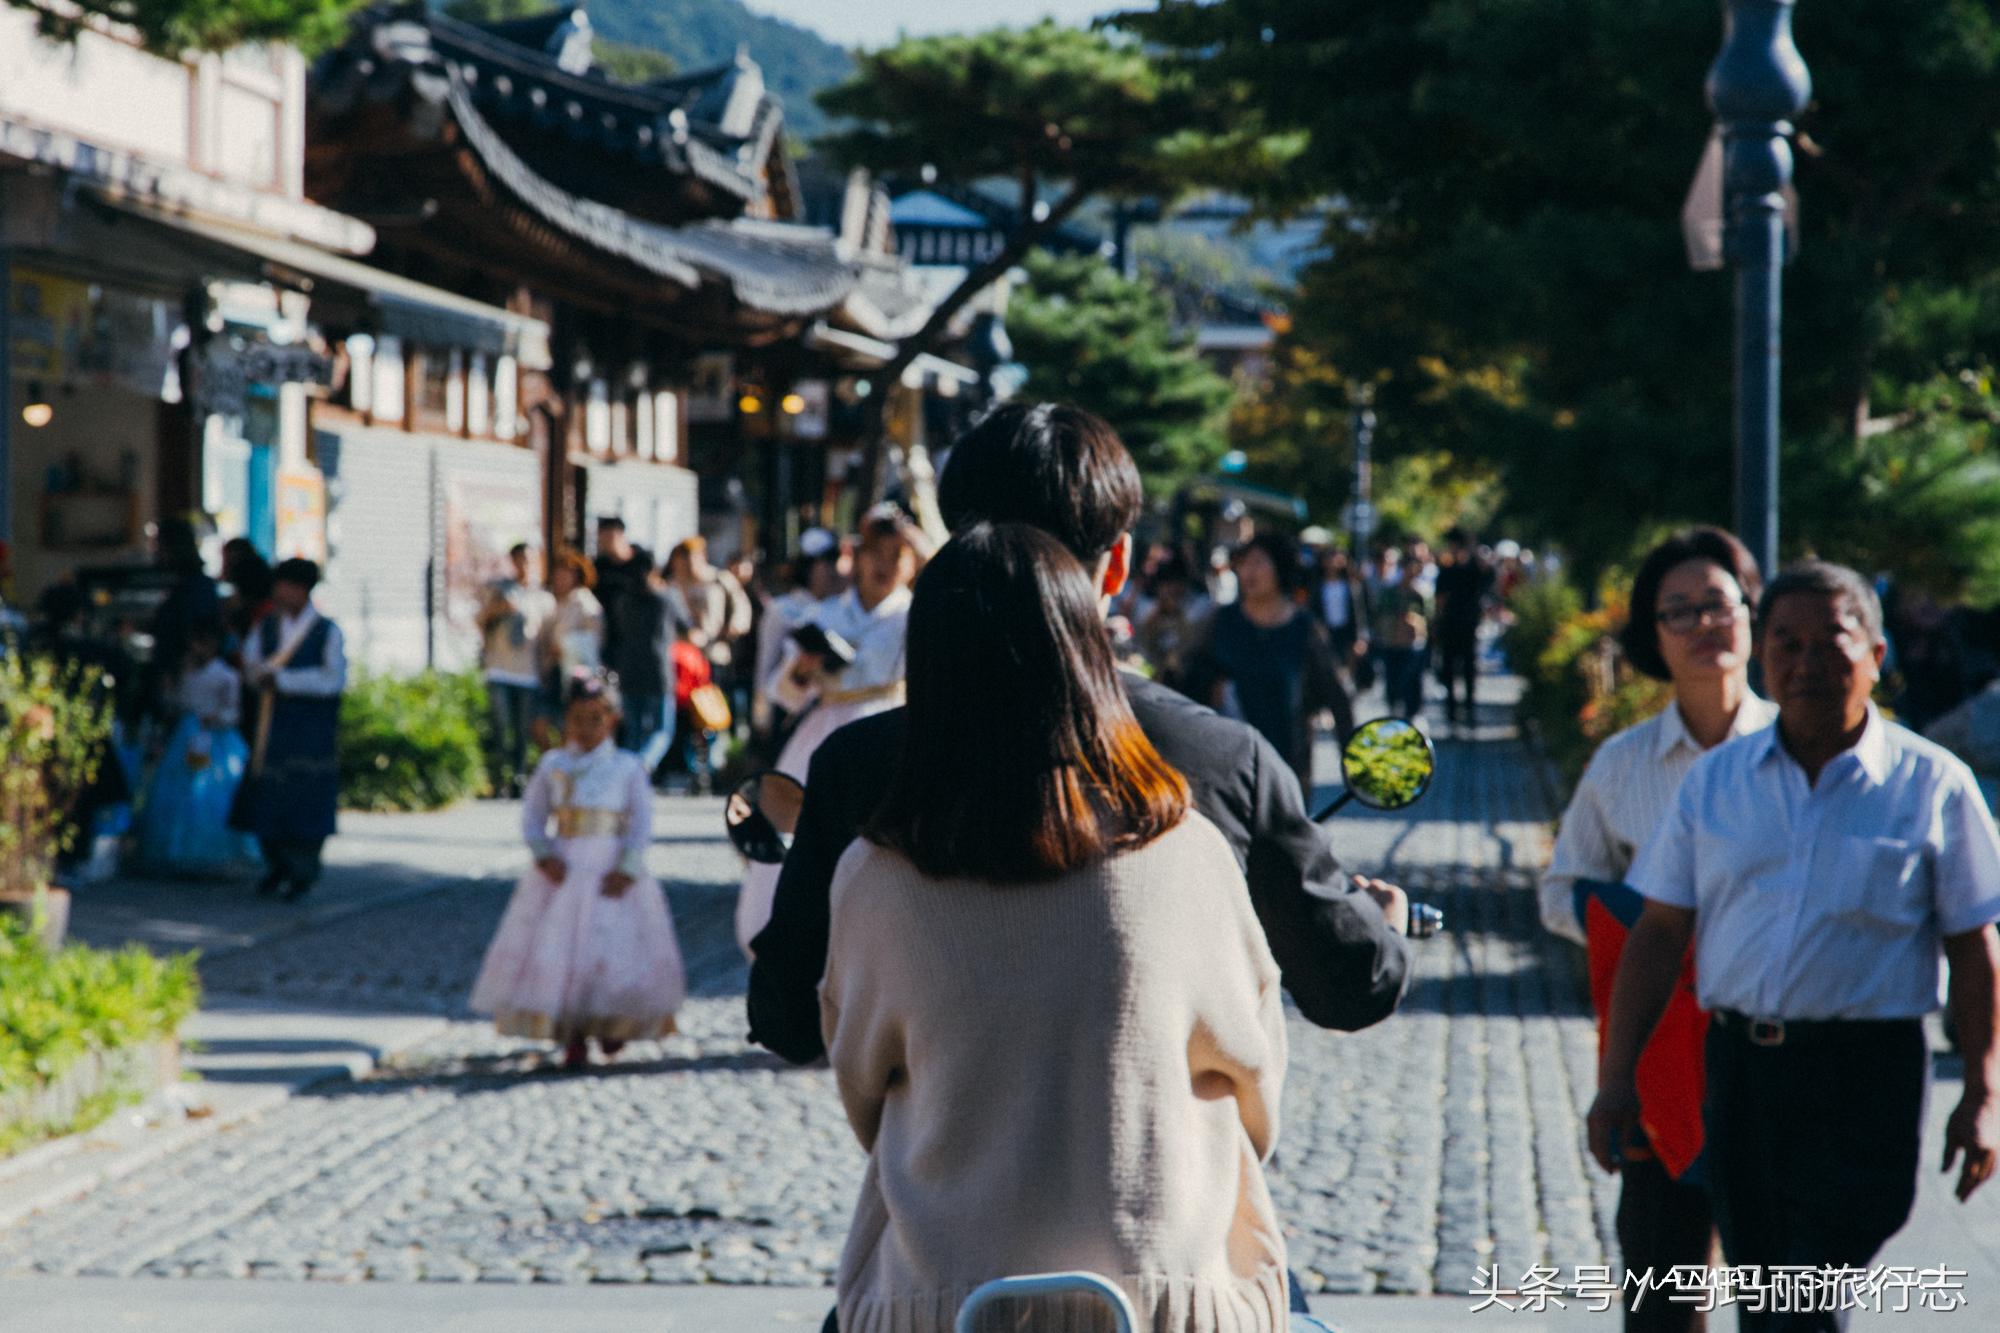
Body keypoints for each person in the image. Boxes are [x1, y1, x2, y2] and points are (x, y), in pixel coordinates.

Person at [747, 403, 1412, 1071]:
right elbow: (1349, 986)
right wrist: (1383, 921)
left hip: (935, 1139)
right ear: (1118, 564)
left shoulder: (858, 766)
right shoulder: (1221, 760)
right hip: (1157, 1139)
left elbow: (787, 1015)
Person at [823, 522, 1289, 1333]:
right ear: (1090, 659)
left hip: (937, 1301)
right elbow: (1257, 1087)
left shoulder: (877, 875)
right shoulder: (1189, 851)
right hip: (1173, 1302)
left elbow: (861, 1087)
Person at [1590, 562, 2000, 1332]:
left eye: (1830, 642)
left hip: (1865, 1079)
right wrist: (1617, 1080)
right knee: (1766, 1292)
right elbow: (1659, 931)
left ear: (1875, 654)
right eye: (1787, 643)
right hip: (1744, 1072)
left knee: (1807, 1290)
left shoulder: (1931, 785)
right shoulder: (1716, 783)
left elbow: (1975, 946)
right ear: (1764, 655)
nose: (1807, 662)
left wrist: (1982, 1095)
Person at [1539, 528, 1774, 1333]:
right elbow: (1561, 890)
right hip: (1659, 1052)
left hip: (1776, 1058)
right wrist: (1642, 933)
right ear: (1654, 636)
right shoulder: (1623, 763)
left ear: (1751, 612)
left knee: (1788, 1301)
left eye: (1718, 603)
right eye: (1680, 611)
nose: (1704, 623)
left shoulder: (1795, 752)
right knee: (1662, 1297)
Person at [468, 670, 686, 1070]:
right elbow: (534, 815)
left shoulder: (627, 767)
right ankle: (573, 1032)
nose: (586, 728)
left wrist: (628, 866)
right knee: (563, 951)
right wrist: (543, 854)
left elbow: (640, 822)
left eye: (595, 719)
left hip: (609, 869)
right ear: (565, 720)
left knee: (612, 949)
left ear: (613, 720)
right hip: (565, 870)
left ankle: (612, 1021)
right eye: (577, 719)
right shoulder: (554, 765)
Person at [735, 512, 918, 954]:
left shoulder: (915, 616)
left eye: (897, 555)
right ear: (858, 556)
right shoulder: (825, 613)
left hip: (890, 730)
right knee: (805, 836)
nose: (884, 565)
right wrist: (803, 669)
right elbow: (783, 693)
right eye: (876, 553)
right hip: (825, 730)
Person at [1186, 531, 1350, 791]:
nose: (1248, 571)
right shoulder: (1222, 621)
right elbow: (1188, 682)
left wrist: (1353, 759)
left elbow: (1335, 693)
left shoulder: (1303, 628)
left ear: (1280, 568)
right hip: (1226, 769)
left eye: (1259, 562)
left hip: (1287, 766)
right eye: (1244, 563)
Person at [238, 558, 346, 901]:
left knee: (306, 800)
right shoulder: (267, 627)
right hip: (271, 727)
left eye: (285, 585)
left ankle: (302, 871)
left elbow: (333, 680)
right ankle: (276, 865)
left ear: (302, 589)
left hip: (310, 729)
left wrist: (283, 679)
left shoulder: (327, 630)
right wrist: (260, 677)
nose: (279, 592)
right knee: (269, 796)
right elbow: (250, 664)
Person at [134, 619, 257, 875]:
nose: (196, 648)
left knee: (212, 793)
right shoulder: (185, 672)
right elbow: (175, 705)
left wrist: (215, 718)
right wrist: (170, 692)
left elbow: (234, 713)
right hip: (186, 737)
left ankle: (211, 852)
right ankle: (177, 850)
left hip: (215, 738)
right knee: (177, 790)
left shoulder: (226, 675)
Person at [752, 528, 847, 743]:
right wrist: (762, 717)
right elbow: (766, 663)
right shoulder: (783, 609)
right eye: (826, 563)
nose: (833, 571)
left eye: (835, 562)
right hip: (789, 710)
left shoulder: (842, 609)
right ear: (808, 568)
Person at [477, 543, 554, 797]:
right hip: (499, 668)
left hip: (528, 672)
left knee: (523, 729)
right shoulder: (501, 589)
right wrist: (498, 609)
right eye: (520, 559)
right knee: (501, 725)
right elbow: (479, 621)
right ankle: (499, 777)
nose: (525, 565)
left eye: (530, 560)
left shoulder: (543, 599)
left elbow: (546, 639)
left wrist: (545, 670)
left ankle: (519, 777)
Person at [604, 549, 676, 778]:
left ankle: (627, 773)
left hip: (628, 668)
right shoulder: (664, 599)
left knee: (633, 731)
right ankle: (644, 763)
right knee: (661, 730)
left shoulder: (623, 601)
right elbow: (686, 625)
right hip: (658, 670)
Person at [1432, 528, 1491, 732]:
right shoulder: (1446, 570)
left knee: (1468, 669)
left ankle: (1469, 709)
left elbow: (1488, 582)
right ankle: (1451, 713)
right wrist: (1437, 622)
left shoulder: (1475, 568)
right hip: (1449, 625)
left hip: (1469, 625)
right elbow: (1440, 599)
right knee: (1448, 670)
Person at [1374, 555, 1431, 721]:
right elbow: (1380, 615)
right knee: (1392, 682)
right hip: (1392, 643)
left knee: (1413, 682)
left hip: (1413, 644)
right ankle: (1394, 714)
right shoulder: (1390, 592)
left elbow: (1430, 618)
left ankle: (1413, 715)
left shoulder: (1421, 593)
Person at [592, 518, 649, 665]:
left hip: (638, 633)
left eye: (608, 536)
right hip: (610, 635)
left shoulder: (643, 562)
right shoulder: (599, 567)